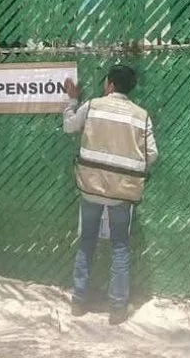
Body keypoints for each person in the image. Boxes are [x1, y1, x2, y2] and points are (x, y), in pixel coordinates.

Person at [63, 65, 158, 325]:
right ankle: (117, 310)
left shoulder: (92, 106)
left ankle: (79, 302)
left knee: (87, 242)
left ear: (111, 86)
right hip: (121, 194)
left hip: (91, 188)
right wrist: (129, 172)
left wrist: (71, 100)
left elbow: (70, 126)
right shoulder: (142, 116)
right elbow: (152, 155)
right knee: (120, 247)